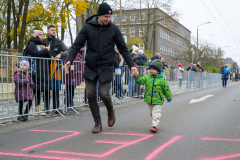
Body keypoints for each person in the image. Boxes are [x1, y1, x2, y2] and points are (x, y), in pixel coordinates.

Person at [65, 3, 138, 133]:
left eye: (110, 17)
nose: (108, 19)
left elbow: (123, 49)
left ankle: (110, 111)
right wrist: (69, 60)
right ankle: (97, 122)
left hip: (106, 66)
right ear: (99, 15)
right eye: (106, 16)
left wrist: (132, 65)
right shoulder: (88, 27)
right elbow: (76, 45)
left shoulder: (114, 29)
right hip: (91, 66)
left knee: (104, 93)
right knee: (91, 94)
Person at [134, 59, 172, 133]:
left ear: (158, 70)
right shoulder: (147, 77)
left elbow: (166, 89)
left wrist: (168, 97)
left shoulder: (162, 80)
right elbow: (140, 80)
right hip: (149, 99)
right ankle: (155, 122)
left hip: (158, 100)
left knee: (156, 113)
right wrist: (136, 77)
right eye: (150, 68)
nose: (151, 70)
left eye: (153, 69)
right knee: (152, 113)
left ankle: (154, 125)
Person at [44, 25, 69, 112]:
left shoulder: (59, 41)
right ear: (48, 31)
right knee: (46, 89)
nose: (54, 31)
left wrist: (60, 55)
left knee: (56, 89)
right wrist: (47, 56)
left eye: (55, 30)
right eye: (52, 30)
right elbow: (39, 51)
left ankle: (56, 108)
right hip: (46, 68)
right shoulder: (44, 41)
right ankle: (46, 108)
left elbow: (67, 50)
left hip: (57, 69)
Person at [27, 30, 51, 115]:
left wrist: (46, 50)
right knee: (34, 90)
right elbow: (35, 53)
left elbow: (49, 57)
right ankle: (29, 109)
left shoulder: (45, 44)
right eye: (40, 35)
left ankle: (38, 108)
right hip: (35, 69)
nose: (42, 36)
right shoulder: (32, 43)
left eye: (43, 35)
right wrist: (45, 50)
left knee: (42, 89)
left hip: (44, 70)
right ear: (36, 36)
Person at [63, 47, 83, 112]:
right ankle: (68, 105)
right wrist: (73, 77)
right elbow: (74, 66)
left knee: (70, 90)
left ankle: (70, 104)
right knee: (69, 90)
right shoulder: (74, 53)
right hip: (71, 75)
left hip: (73, 75)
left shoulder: (77, 53)